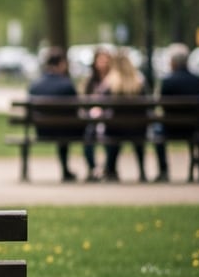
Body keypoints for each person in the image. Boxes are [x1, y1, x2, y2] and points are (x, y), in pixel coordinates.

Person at [153, 44, 199, 182]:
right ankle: (194, 169)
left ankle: (164, 170)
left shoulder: (167, 82)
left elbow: (161, 105)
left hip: (169, 128)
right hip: (193, 128)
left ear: (172, 62)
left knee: (155, 130)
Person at [27, 47, 81, 182]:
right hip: (66, 131)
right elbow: (76, 109)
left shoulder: (35, 85)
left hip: (42, 131)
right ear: (61, 63)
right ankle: (89, 169)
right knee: (73, 128)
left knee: (63, 127)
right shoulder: (67, 85)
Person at [100, 49, 149, 182]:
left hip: (115, 130)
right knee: (136, 139)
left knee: (111, 131)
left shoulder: (110, 83)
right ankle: (142, 171)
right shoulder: (139, 82)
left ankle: (110, 170)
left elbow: (101, 104)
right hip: (138, 129)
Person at [80, 46, 112, 181]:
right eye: (100, 60)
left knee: (110, 135)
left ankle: (109, 168)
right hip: (93, 118)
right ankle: (92, 168)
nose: (103, 63)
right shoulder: (90, 81)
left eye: (106, 60)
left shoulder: (113, 80)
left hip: (109, 118)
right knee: (89, 133)